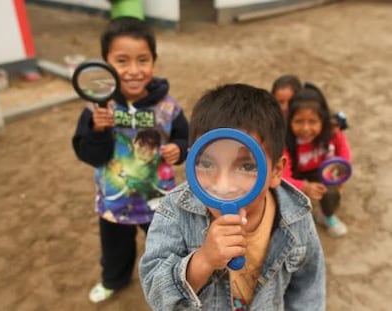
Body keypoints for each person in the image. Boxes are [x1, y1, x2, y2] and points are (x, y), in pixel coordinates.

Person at [139, 84, 325, 310]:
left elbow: (308, 288)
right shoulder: (175, 210)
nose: (223, 185)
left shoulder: (297, 216)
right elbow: (156, 293)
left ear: (276, 171)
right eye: (207, 163)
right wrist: (203, 261)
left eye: (246, 166)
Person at [72, 17, 189, 303]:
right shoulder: (98, 108)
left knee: (165, 247)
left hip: (158, 201)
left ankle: (171, 282)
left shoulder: (168, 106)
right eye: (122, 61)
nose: (134, 70)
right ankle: (114, 279)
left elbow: (186, 138)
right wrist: (97, 130)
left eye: (143, 60)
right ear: (105, 63)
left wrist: (178, 148)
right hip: (115, 200)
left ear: (154, 60)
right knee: (114, 250)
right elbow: (90, 155)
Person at [282, 82, 351, 238]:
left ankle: (326, 215)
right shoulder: (285, 141)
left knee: (331, 191)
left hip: (321, 170)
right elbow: (281, 176)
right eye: (299, 121)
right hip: (294, 174)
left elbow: (344, 152)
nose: (306, 128)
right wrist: (303, 186)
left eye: (312, 121)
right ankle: (291, 222)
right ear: (289, 121)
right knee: (281, 194)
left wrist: (340, 172)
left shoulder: (331, 131)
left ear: (323, 121)